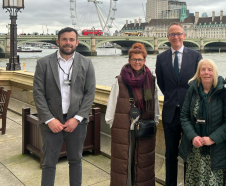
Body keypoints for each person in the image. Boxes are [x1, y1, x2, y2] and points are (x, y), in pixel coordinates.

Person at [33, 27, 96, 186]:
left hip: (77, 122)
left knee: (75, 160)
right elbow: (38, 93)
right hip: (52, 121)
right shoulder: (43, 63)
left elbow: (89, 94)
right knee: (49, 162)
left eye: (71, 39)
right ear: (58, 41)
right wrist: (49, 119)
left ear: (77, 42)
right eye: (64, 39)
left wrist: (77, 118)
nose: (68, 43)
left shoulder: (87, 63)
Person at [105, 43, 159, 186]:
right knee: (125, 160)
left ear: (144, 61)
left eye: (140, 59)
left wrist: (155, 120)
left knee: (142, 161)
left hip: (143, 125)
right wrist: (112, 123)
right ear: (129, 60)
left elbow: (154, 101)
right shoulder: (120, 80)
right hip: (124, 126)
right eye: (134, 59)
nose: (137, 62)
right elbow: (112, 102)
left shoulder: (151, 80)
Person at [155, 22, 202, 186]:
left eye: (178, 34)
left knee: (190, 153)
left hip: (190, 113)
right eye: (172, 34)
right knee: (170, 154)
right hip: (170, 112)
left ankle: (189, 182)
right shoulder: (161, 58)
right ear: (168, 38)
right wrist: (172, 97)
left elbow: (200, 82)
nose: (175, 37)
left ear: (184, 35)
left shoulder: (196, 56)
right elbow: (161, 83)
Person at [179, 59, 226, 186]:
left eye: (210, 70)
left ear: (215, 73)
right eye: (203, 69)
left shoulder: (224, 93)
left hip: (217, 151)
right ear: (198, 73)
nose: (206, 73)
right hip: (196, 150)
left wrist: (212, 139)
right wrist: (193, 137)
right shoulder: (192, 91)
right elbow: (184, 117)